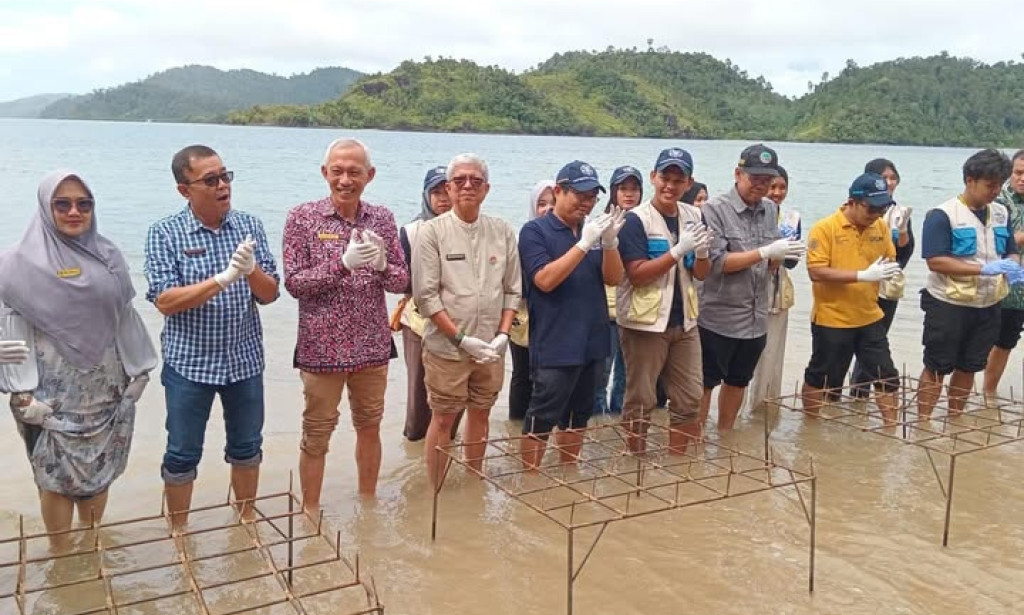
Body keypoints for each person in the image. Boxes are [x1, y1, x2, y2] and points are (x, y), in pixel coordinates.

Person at [0, 171, 157, 548]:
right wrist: (20, 392)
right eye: (63, 203)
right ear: (45, 207)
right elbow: (7, 325)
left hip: (105, 386)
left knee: (99, 470)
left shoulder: (109, 257)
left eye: (83, 204)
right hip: (45, 390)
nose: (74, 211)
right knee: (53, 474)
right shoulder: (14, 264)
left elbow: (124, 315)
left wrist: (141, 371)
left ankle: (89, 549)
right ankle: (61, 557)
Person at [145, 145, 280, 528]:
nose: (222, 185)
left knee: (247, 447)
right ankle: (179, 532)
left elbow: (269, 295)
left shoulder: (250, 226)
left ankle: (246, 523)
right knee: (183, 452)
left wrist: (250, 270)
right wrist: (222, 279)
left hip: (244, 360)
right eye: (210, 180)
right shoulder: (165, 232)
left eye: (225, 176)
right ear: (184, 190)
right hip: (189, 364)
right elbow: (166, 301)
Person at [283, 138, 408, 509]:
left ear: (369, 176)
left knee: (370, 426)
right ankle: (310, 511)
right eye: (337, 171)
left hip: (372, 346)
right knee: (317, 434)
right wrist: (342, 264)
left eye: (354, 172)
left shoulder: (382, 218)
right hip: (321, 348)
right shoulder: (302, 218)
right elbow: (294, 284)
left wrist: (385, 265)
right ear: (325, 173)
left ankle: (367, 502)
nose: (345, 179)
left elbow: (402, 282)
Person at [413, 153, 521, 486]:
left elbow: (512, 290)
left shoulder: (501, 230)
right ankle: (437, 488)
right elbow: (426, 297)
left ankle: (475, 478)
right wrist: (461, 339)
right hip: (447, 350)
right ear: (448, 187)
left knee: (482, 413)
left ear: (487, 188)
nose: (467, 186)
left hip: (491, 349)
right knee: (443, 419)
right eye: (459, 180)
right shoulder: (431, 233)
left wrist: (503, 335)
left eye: (475, 180)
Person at [518, 161, 624, 466]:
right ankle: (531, 476)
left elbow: (613, 279)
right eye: (578, 194)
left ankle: (567, 471)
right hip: (555, 341)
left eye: (592, 195)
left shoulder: (592, 229)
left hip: (592, 339)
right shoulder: (535, 231)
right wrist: (584, 243)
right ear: (558, 192)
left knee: (579, 416)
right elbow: (545, 280)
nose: (586, 202)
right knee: (542, 414)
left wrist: (610, 242)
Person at [699, 144, 805, 432]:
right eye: (754, 177)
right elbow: (717, 262)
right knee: (705, 383)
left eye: (766, 179)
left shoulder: (771, 210)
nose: (761, 185)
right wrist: (765, 252)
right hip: (718, 316)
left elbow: (770, 263)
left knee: (738, 381)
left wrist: (782, 255)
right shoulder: (714, 210)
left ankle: (725, 436)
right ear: (738, 173)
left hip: (756, 316)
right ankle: (693, 442)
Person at [617, 148, 712, 452]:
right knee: (641, 399)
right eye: (664, 178)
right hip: (644, 324)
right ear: (653, 177)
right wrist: (677, 251)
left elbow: (701, 274)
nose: (669, 186)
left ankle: (677, 465)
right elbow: (637, 274)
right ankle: (636, 463)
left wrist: (702, 253)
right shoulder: (636, 220)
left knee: (690, 397)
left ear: (689, 183)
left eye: (677, 180)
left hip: (684, 323)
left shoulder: (695, 215)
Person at [918, 149, 1019, 419]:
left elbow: (1010, 249)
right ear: (969, 180)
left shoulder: (1000, 213)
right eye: (990, 185)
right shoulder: (943, 215)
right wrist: (984, 269)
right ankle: (923, 422)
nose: (995, 191)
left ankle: (955, 420)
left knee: (970, 366)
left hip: (987, 304)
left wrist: (1011, 265)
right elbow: (935, 261)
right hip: (948, 303)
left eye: (999, 184)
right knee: (937, 365)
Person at [801, 173, 901, 422]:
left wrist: (891, 273)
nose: (876, 213)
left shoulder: (880, 227)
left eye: (883, 207)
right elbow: (816, 271)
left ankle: (891, 429)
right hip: (833, 318)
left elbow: (889, 259)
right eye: (872, 207)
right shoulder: (825, 228)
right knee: (822, 377)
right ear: (852, 202)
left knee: (886, 376)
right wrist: (861, 275)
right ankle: (811, 426)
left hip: (869, 316)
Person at [394, 166, 461, 441]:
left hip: (459, 321)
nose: (443, 198)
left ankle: (447, 442)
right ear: (426, 195)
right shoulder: (411, 231)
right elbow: (403, 281)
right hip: (420, 323)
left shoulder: (467, 229)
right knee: (419, 393)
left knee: (456, 391)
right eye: (436, 192)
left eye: (447, 190)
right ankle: (415, 444)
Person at [850, 158, 914, 397]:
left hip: (886, 287)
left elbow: (903, 255)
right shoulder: (857, 208)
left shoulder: (900, 212)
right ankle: (848, 393)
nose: (889, 182)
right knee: (849, 341)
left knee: (875, 343)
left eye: (893, 178)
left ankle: (860, 394)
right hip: (858, 284)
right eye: (884, 178)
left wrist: (904, 230)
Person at [748, 166, 800, 410]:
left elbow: (792, 261)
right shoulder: (749, 216)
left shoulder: (790, 218)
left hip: (778, 291)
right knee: (745, 355)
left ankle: (764, 410)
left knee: (772, 356)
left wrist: (786, 248)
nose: (777, 193)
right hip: (751, 288)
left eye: (782, 187)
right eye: (772, 187)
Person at [595, 166, 643, 416]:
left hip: (636, 313)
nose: (629, 194)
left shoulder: (647, 223)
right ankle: (597, 429)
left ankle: (618, 425)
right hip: (606, 312)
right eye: (623, 188)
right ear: (613, 191)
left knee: (628, 377)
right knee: (600, 376)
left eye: (634, 189)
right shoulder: (600, 225)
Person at [508, 180, 554, 421]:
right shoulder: (522, 238)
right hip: (523, 316)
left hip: (553, 318)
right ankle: (515, 426)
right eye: (541, 204)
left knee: (548, 375)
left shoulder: (569, 239)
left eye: (553, 204)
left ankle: (541, 423)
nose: (547, 209)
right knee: (522, 374)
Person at [984, 150, 1024, 398]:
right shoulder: (999, 202)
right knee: (1003, 342)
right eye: (1019, 173)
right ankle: (988, 393)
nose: (1023, 179)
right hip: (1008, 290)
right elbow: (994, 242)